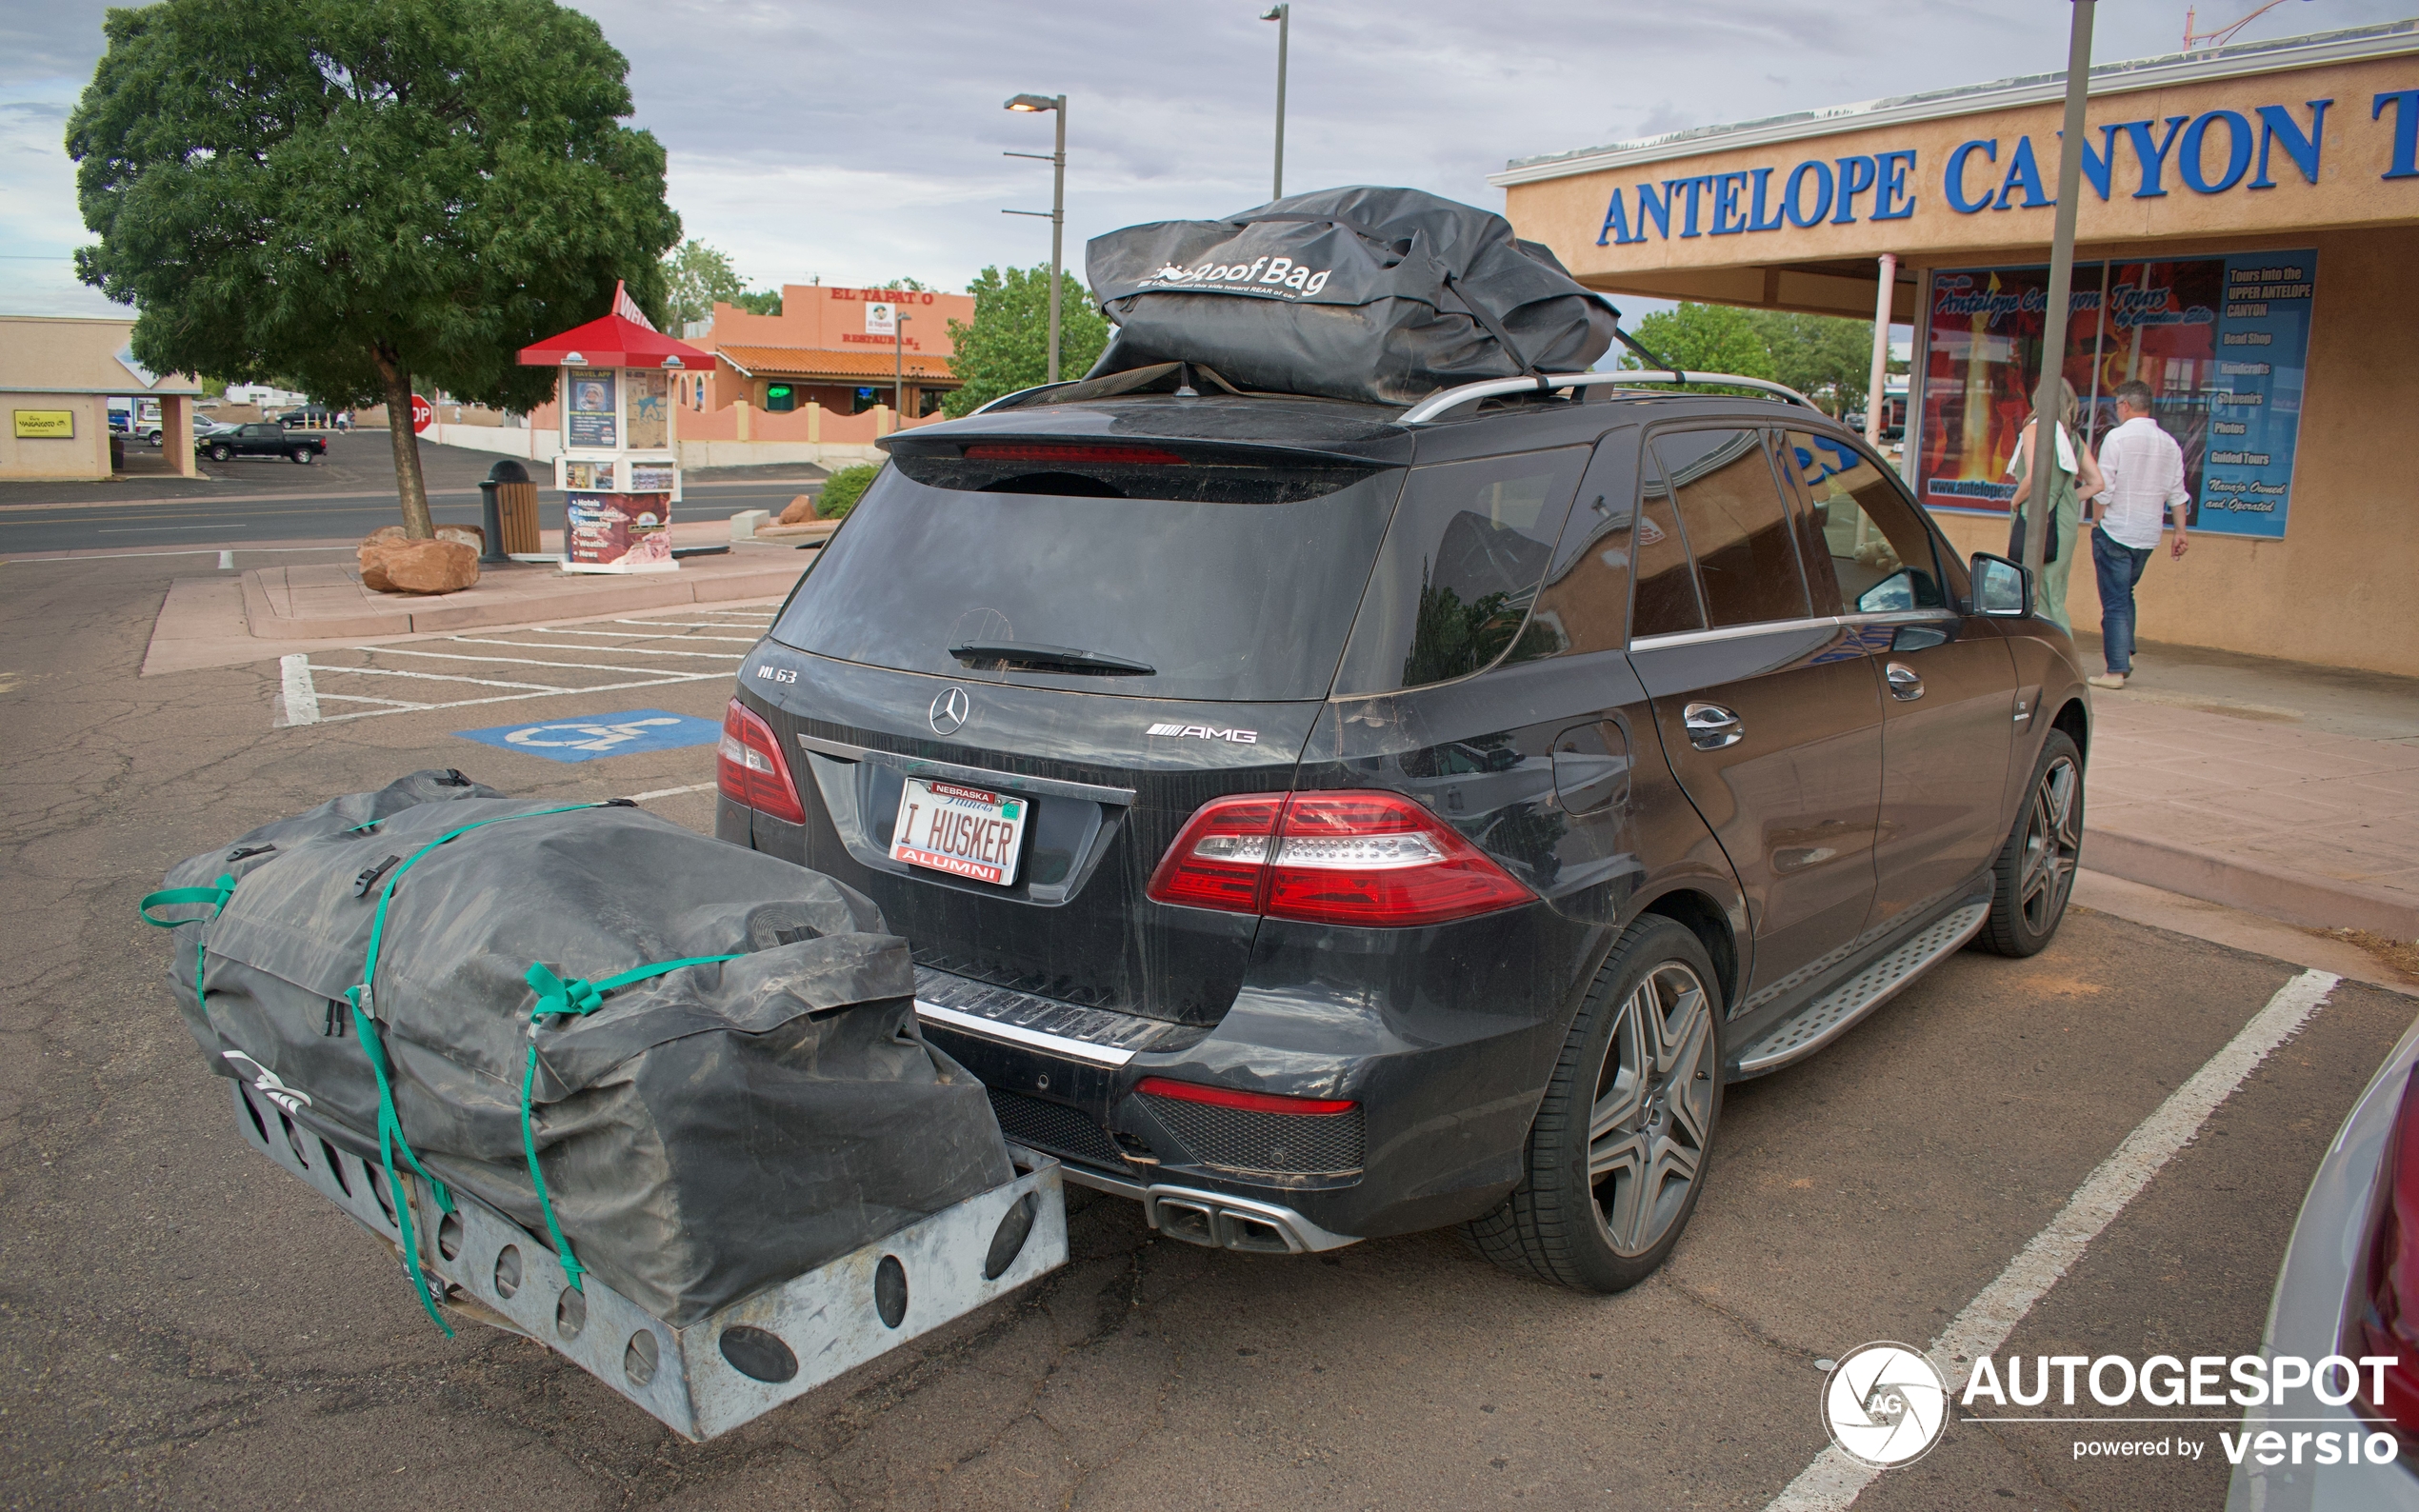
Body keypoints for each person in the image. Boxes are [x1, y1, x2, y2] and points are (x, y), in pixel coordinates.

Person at [2086, 379, 2190, 690]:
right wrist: (2180, 532)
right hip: (2148, 535)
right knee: (2125, 593)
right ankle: (2125, 652)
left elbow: (2103, 488)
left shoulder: (2116, 438)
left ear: (2126, 405)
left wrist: (2096, 522)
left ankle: (2115, 670)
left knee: (2114, 602)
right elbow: (2177, 494)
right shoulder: (2169, 443)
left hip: (2116, 530)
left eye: (2117, 405)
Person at [2005, 377, 2107, 635]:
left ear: (2039, 400)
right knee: (2054, 594)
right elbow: (2097, 484)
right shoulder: (2072, 439)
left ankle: (2055, 657)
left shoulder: (2034, 430)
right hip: (2065, 521)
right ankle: (2060, 654)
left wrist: (2015, 501)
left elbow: (2034, 476)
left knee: (2030, 591)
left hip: (2037, 517)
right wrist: (2069, 497)